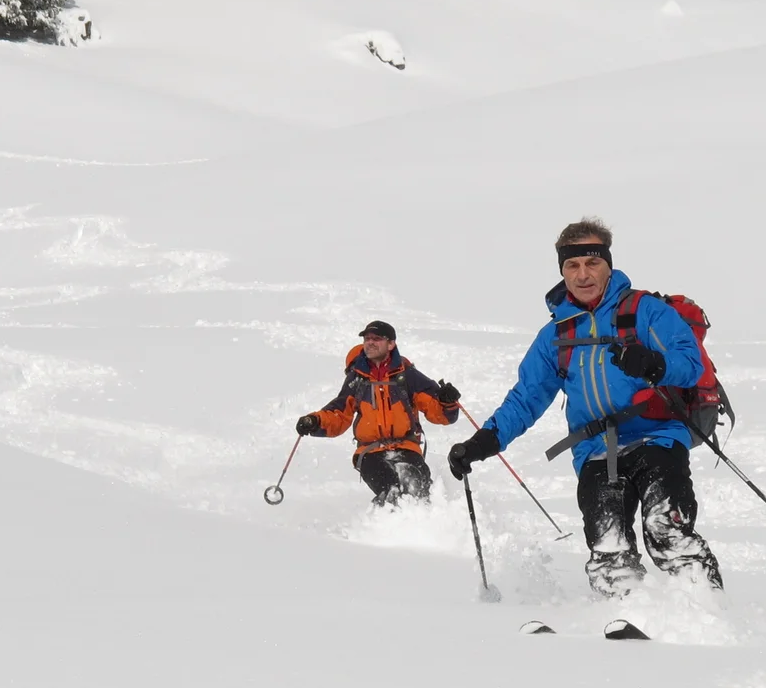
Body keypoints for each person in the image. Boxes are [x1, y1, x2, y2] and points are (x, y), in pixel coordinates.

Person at [448, 220, 722, 597]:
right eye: (572, 265)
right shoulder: (557, 336)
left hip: (656, 438)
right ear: (561, 270)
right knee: (608, 548)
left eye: (592, 263)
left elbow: (690, 363)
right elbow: (527, 398)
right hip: (595, 452)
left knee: (667, 531)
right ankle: (625, 614)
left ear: (608, 264)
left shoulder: (646, 311)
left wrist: (654, 364)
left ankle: (707, 611)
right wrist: (484, 442)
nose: (583, 274)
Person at [298, 320, 460, 506]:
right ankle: (383, 530)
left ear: (391, 344)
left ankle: (425, 529)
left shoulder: (408, 376)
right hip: (370, 451)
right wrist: (314, 421)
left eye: (377, 339)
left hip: (407, 446)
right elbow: (339, 414)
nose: (370, 342)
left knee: (420, 490)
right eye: (367, 338)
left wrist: (447, 402)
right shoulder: (357, 378)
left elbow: (440, 413)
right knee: (390, 490)